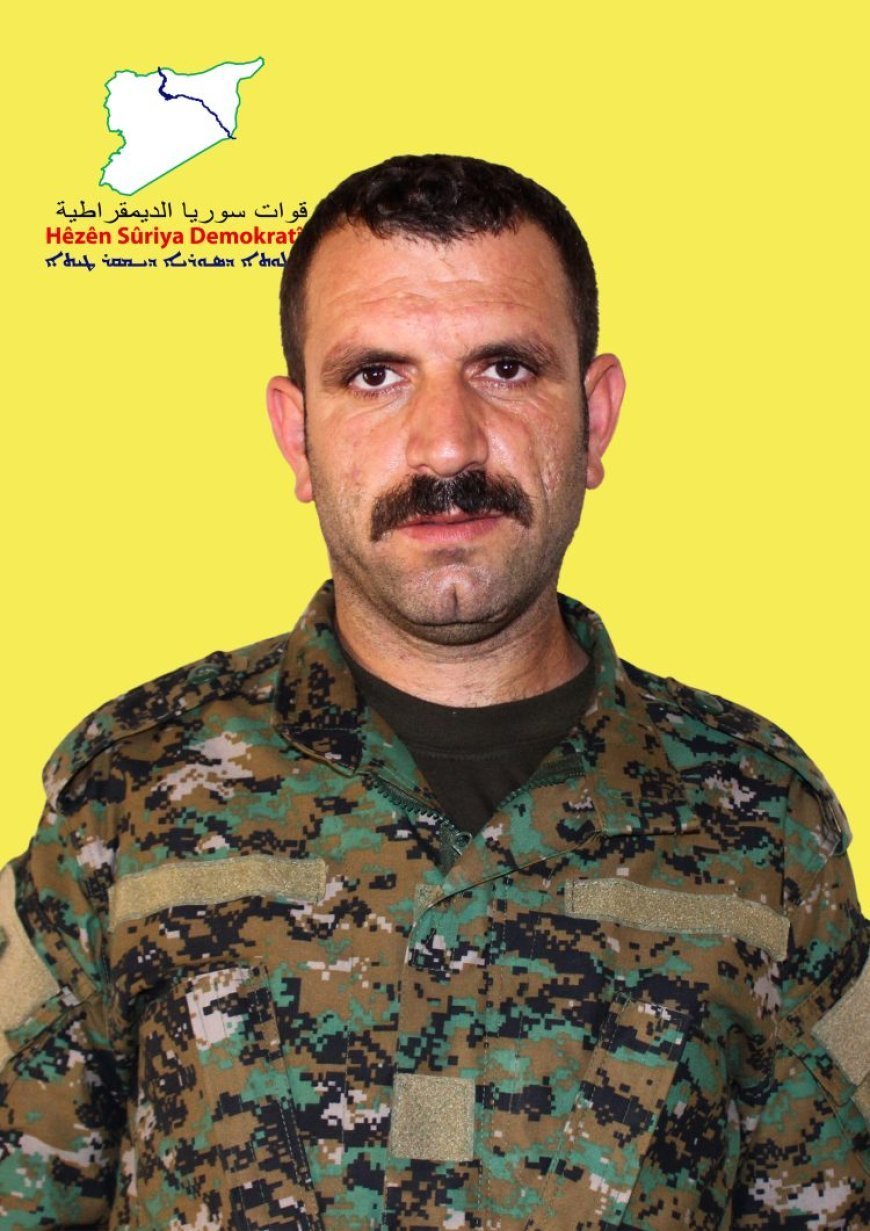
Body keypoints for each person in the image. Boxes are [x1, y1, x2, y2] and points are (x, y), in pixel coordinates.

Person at [0, 154, 866, 1230]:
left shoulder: (766, 823)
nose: (447, 442)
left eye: (505, 367)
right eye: (376, 375)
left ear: (594, 417)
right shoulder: (124, 793)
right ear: (296, 433)